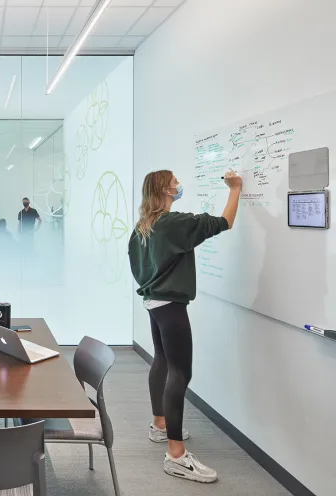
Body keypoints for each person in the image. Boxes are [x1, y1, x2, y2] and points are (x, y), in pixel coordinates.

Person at [128, 170, 241, 483]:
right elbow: (225, 222)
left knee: (162, 360)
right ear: (165, 188)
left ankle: (159, 425)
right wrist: (236, 189)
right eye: (176, 182)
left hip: (153, 302)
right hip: (170, 305)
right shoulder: (173, 223)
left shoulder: (143, 226)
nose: (179, 185)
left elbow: (137, 269)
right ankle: (176, 455)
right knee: (181, 371)